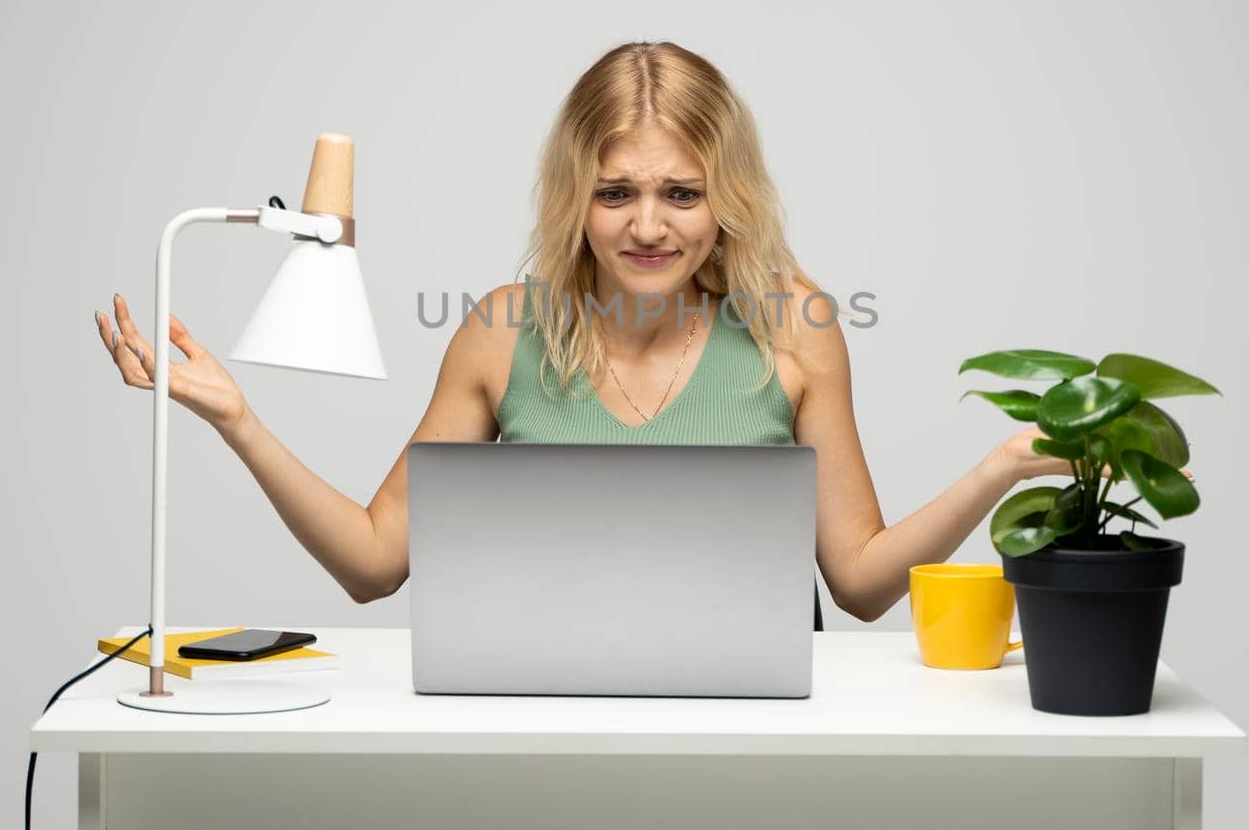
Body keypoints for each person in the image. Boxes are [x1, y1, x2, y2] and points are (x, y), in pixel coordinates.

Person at [93, 41, 1076, 625]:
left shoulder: (794, 327)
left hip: (758, 742)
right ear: (577, 197)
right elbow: (372, 562)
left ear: (725, 196)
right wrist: (240, 420)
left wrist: (994, 468)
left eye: (680, 193)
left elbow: (859, 582)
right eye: (616, 192)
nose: (647, 225)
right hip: (539, 733)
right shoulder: (501, 331)